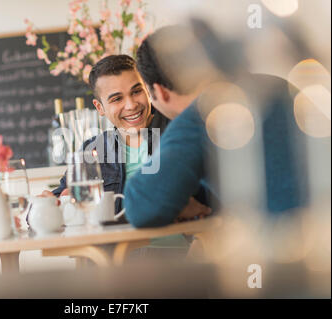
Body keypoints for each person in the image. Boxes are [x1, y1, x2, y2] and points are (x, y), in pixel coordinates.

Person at [124, 22, 309, 228]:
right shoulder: (277, 86)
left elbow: (143, 207)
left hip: (296, 247)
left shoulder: (201, 115)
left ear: (159, 92)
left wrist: (173, 202)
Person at [42, 54, 210, 219]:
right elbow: (58, 200)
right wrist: (46, 204)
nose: (131, 105)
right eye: (117, 99)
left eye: (136, 91)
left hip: (188, 245)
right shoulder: (93, 150)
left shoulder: (181, 131)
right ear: (99, 107)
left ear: (148, 89)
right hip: (121, 246)